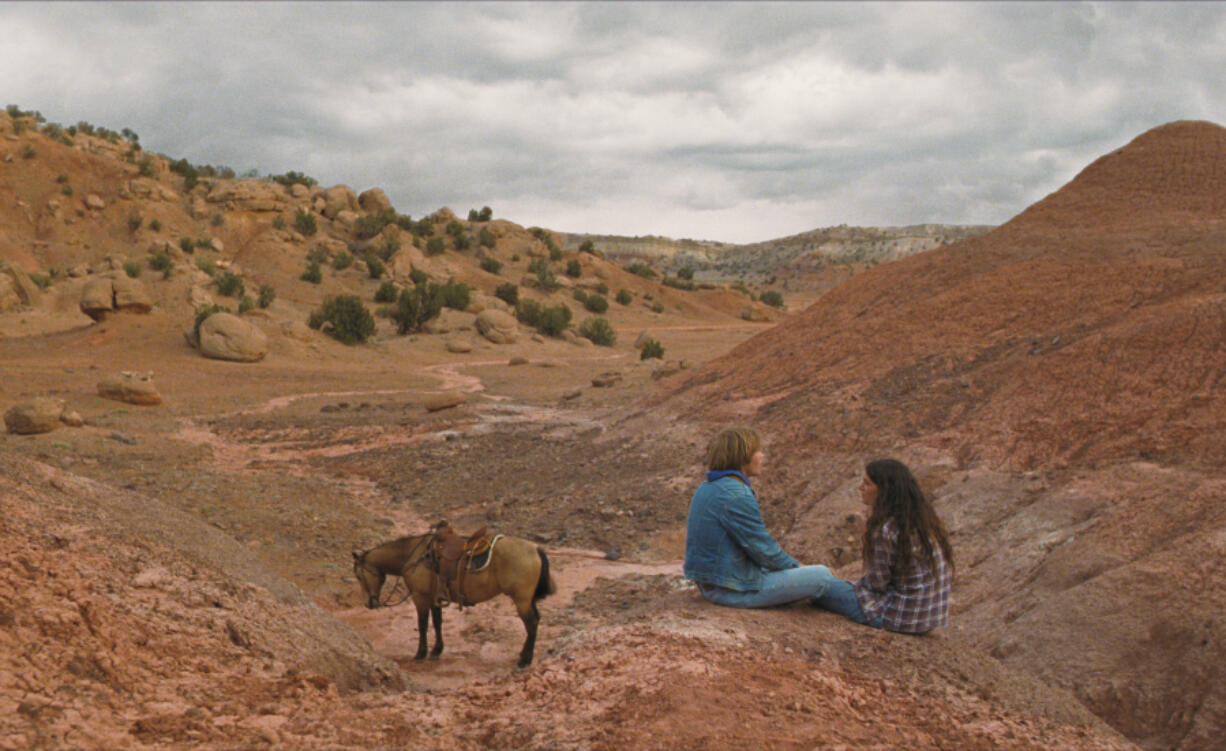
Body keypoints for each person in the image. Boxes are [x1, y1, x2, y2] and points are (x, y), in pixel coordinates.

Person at [683, 427, 827, 608]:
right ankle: (864, 607)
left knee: (810, 575)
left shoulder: (708, 487)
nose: (762, 456)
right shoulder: (735, 494)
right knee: (822, 576)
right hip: (730, 590)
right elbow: (763, 550)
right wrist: (798, 568)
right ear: (743, 456)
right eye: (757, 451)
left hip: (714, 583)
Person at [810, 458, 954, 634]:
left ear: (885, 491)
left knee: (816, 584)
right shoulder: (924, 523)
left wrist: (847, 585)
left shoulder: (888, 529)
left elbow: (877, 583)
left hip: (896, 616)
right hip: (927, 620)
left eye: (867, 483)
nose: (860, 487)